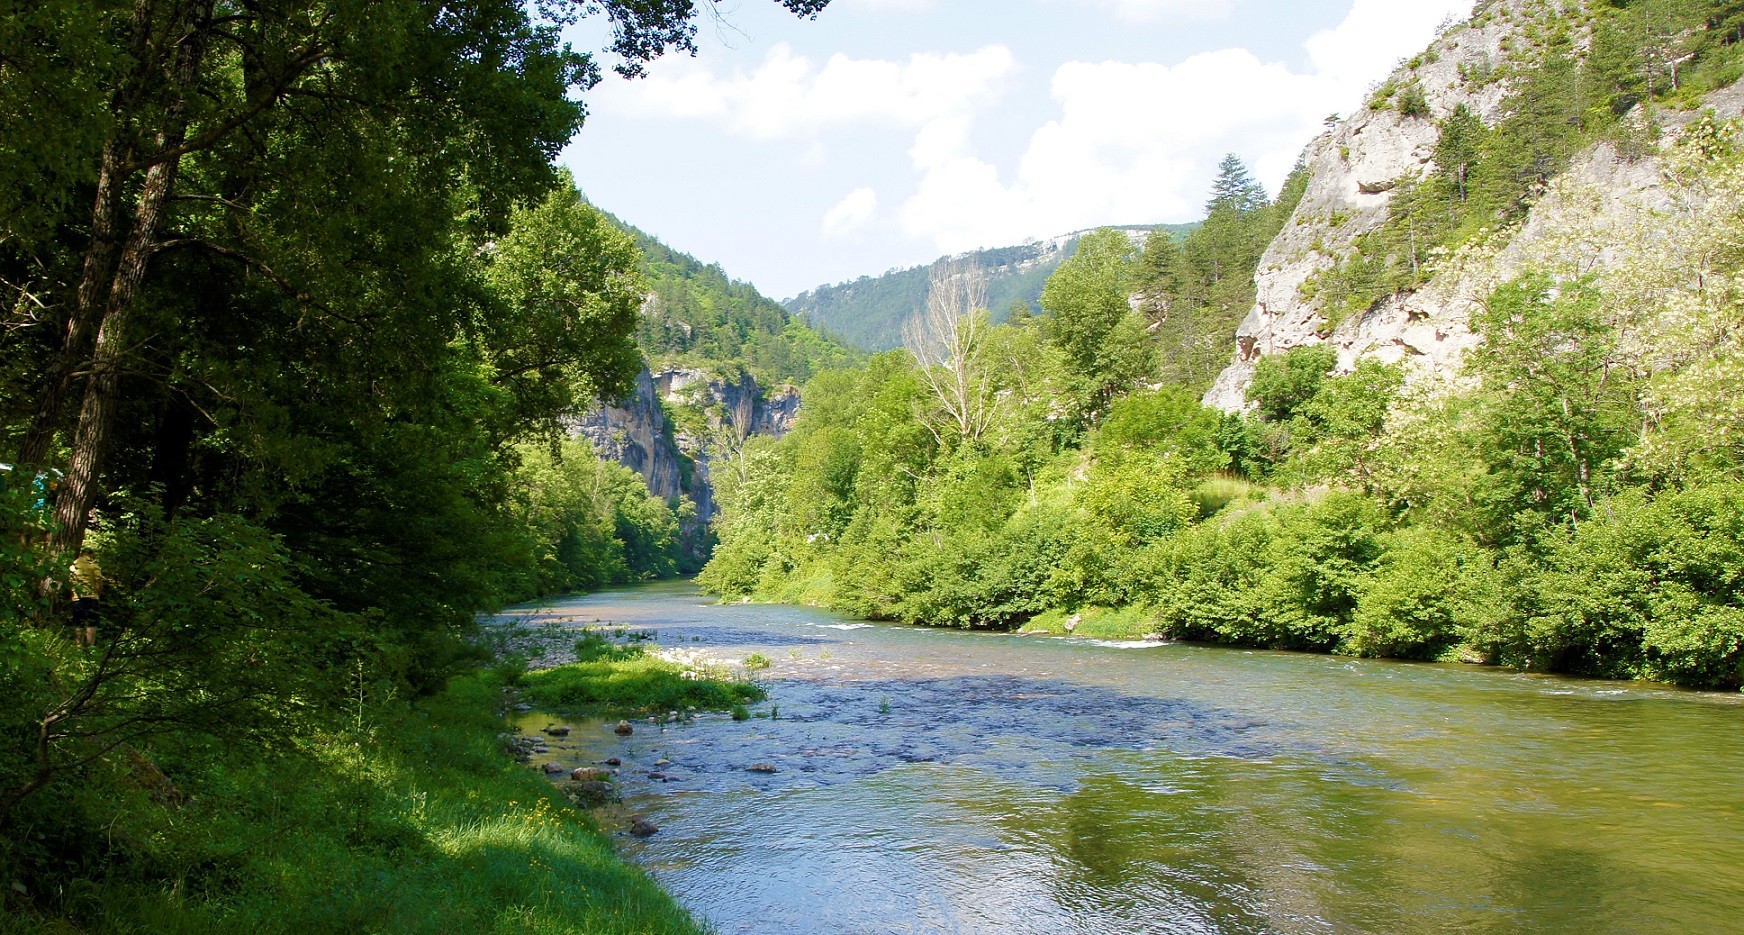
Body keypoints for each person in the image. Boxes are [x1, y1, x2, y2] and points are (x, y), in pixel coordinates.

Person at [69, 548, 103, 645]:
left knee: (78, 622)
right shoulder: (93, 565)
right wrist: (98, 592)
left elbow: (70, 582)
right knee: (92, 622)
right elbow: (98, 581)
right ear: (90, 554)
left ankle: (78, 645)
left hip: (77, 597)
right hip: (92, 597)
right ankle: (90, 646)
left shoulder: (73, 566)